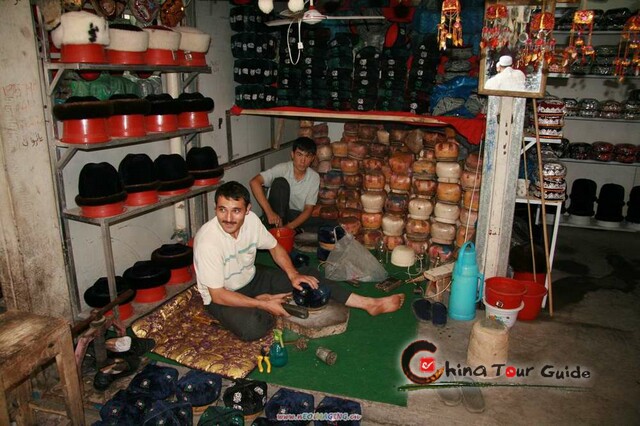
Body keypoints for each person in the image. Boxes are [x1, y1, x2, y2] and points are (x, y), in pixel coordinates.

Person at [193, 181, 405, 341]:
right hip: (222, 295)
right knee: (252, 328)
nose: (228, 218)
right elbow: (218, 295)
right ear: (216, 209)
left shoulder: (252, 222)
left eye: (236, 211)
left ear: (247, 210)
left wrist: (293, 274)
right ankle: (264, 303)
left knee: (308, 278)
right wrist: (262, 303)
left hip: (252, 277)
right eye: (222, 210)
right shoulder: (208, 241)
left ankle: (369, 304)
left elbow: (275, 247)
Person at [249, 137, 320, 232]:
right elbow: (254, 182)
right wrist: (269, 212)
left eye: (307, 156)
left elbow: (308, 209)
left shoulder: (314, 177)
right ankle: (278, 229)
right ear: (292, 155)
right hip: (275, 216)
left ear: (312, 158)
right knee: (280, 183)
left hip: (294, 216)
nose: (303, 161)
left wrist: (289, 227)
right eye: (299, 155)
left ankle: (290, 230)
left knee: (327, 224)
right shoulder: (283, 169)